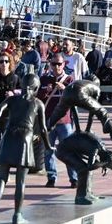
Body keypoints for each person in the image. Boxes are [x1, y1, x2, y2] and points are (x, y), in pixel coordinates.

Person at [0, 74, 52, 224]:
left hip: (9, 136)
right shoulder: (37, 103)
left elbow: (0, 110)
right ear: (36, 88)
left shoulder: (12, 99)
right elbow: (43, 128)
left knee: (1, 177)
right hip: (25, 138)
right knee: (20, 181)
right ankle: (17, 214)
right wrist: (48, 145)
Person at [38, 54, 76, 188]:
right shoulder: (44, 79)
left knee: (69, 150)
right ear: (50, 64)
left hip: (64, 121)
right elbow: (38, 99)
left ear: (64, 64)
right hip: (48, 121)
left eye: (59, 64)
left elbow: (75, 98)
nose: (57, 67)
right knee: (48, 151)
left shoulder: (69, 80)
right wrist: (45, 91)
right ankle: (51, 177)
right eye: (54, 64)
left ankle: (74, 178)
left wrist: (65, 90)